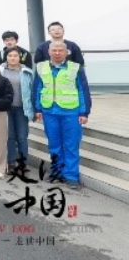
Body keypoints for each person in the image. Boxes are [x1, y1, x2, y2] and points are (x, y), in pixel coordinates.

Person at [33, 40, 92, 190]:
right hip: (49, 112)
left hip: (71, 113)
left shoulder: (75, 68)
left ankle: (71, 176)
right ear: (49, 52)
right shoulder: (41, 67)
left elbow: (82, 90)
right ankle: (57, 173)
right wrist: (38, 109)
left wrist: (84, 112)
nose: (57, 53)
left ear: (66, 53)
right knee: (54, 145)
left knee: (71, 145)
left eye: (61, 50)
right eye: (54, 50)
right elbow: (37, 89)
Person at [0, 47, 34, 174]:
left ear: (20, 57)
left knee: (22, 136)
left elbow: (32, 91)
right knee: (10, 136)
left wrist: (34, 110)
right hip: (6, 108)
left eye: (15, 56)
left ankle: (22, 162)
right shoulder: (0, 70)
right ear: (6, 57)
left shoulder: (27, 72)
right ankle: (11, 162)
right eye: (10, 56)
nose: (13, 58)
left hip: (22, 108)